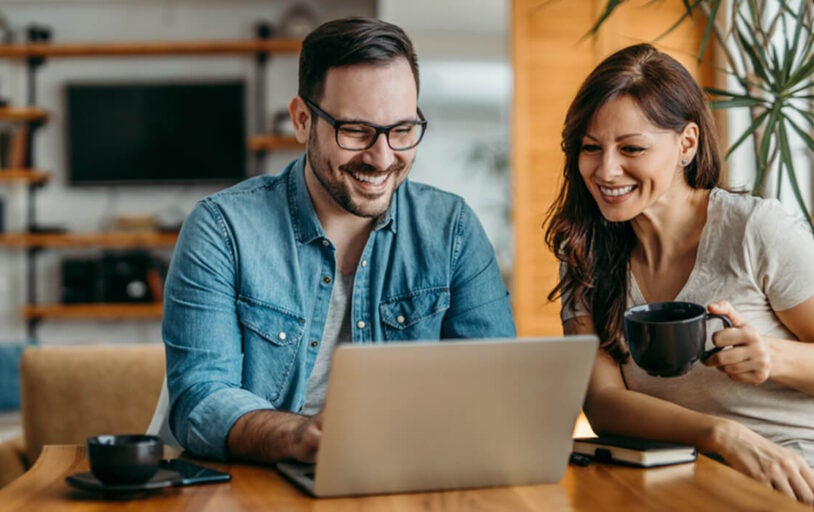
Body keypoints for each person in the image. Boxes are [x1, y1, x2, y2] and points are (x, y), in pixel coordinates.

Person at [162, 17, 516, 466]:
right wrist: (297, 436)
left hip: (412, 472)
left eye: (402, 130)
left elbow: (497, 385)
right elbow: (200, 400)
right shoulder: (222, 229)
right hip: (267, 480)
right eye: (356, 131)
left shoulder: (453, 229)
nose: (383, 158)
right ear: (302, 120)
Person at [545, 43, 814, 504]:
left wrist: (772, 357)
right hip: (683, 477)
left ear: (687, 143)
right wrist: (722, 434)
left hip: (792, 476)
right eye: (591, 148)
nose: (606, 170)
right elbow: (603, 403)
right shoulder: (584, 253)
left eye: (632, 148)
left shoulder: (755, 230)